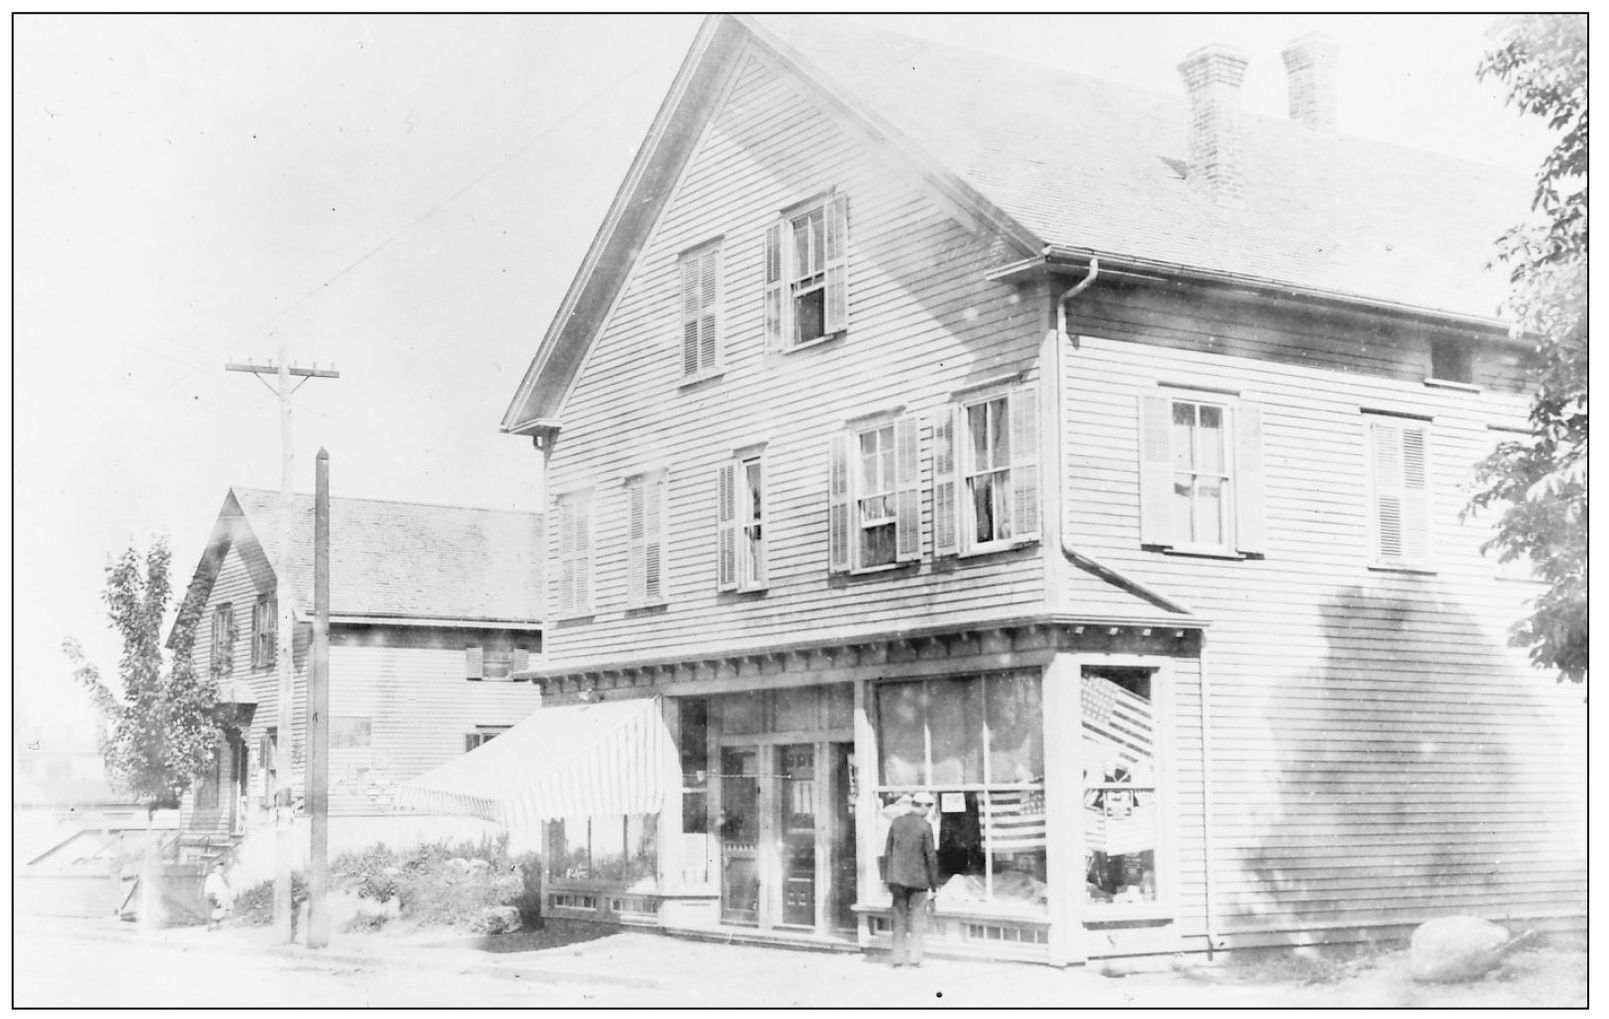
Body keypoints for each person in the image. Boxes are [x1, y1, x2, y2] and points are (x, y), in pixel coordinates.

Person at [883, 791, 938, 968]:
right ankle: (915, 958)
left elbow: (888, 852)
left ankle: (897, 958)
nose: (929, 811)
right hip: (918, 880)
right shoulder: (925, 826)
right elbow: (930, 857)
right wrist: (934, 884)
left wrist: (888, 878)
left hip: (897, 880)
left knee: (899, 919)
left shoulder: (896, 823)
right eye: (928, 807)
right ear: (921, 806)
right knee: (917, 920)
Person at [204, 861, 234, 930]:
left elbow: (223, 888)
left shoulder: (221, 878)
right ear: (214, 869)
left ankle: (217, 924)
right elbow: (207, 886)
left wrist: (222, 896)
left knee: (219, 910)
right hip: (212, 895)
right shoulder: (211, 876)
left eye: (221, 869)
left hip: (218, 896)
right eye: (218, 869)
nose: (220, 870)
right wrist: (207, 893)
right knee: (211, 910)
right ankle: (209, 926)